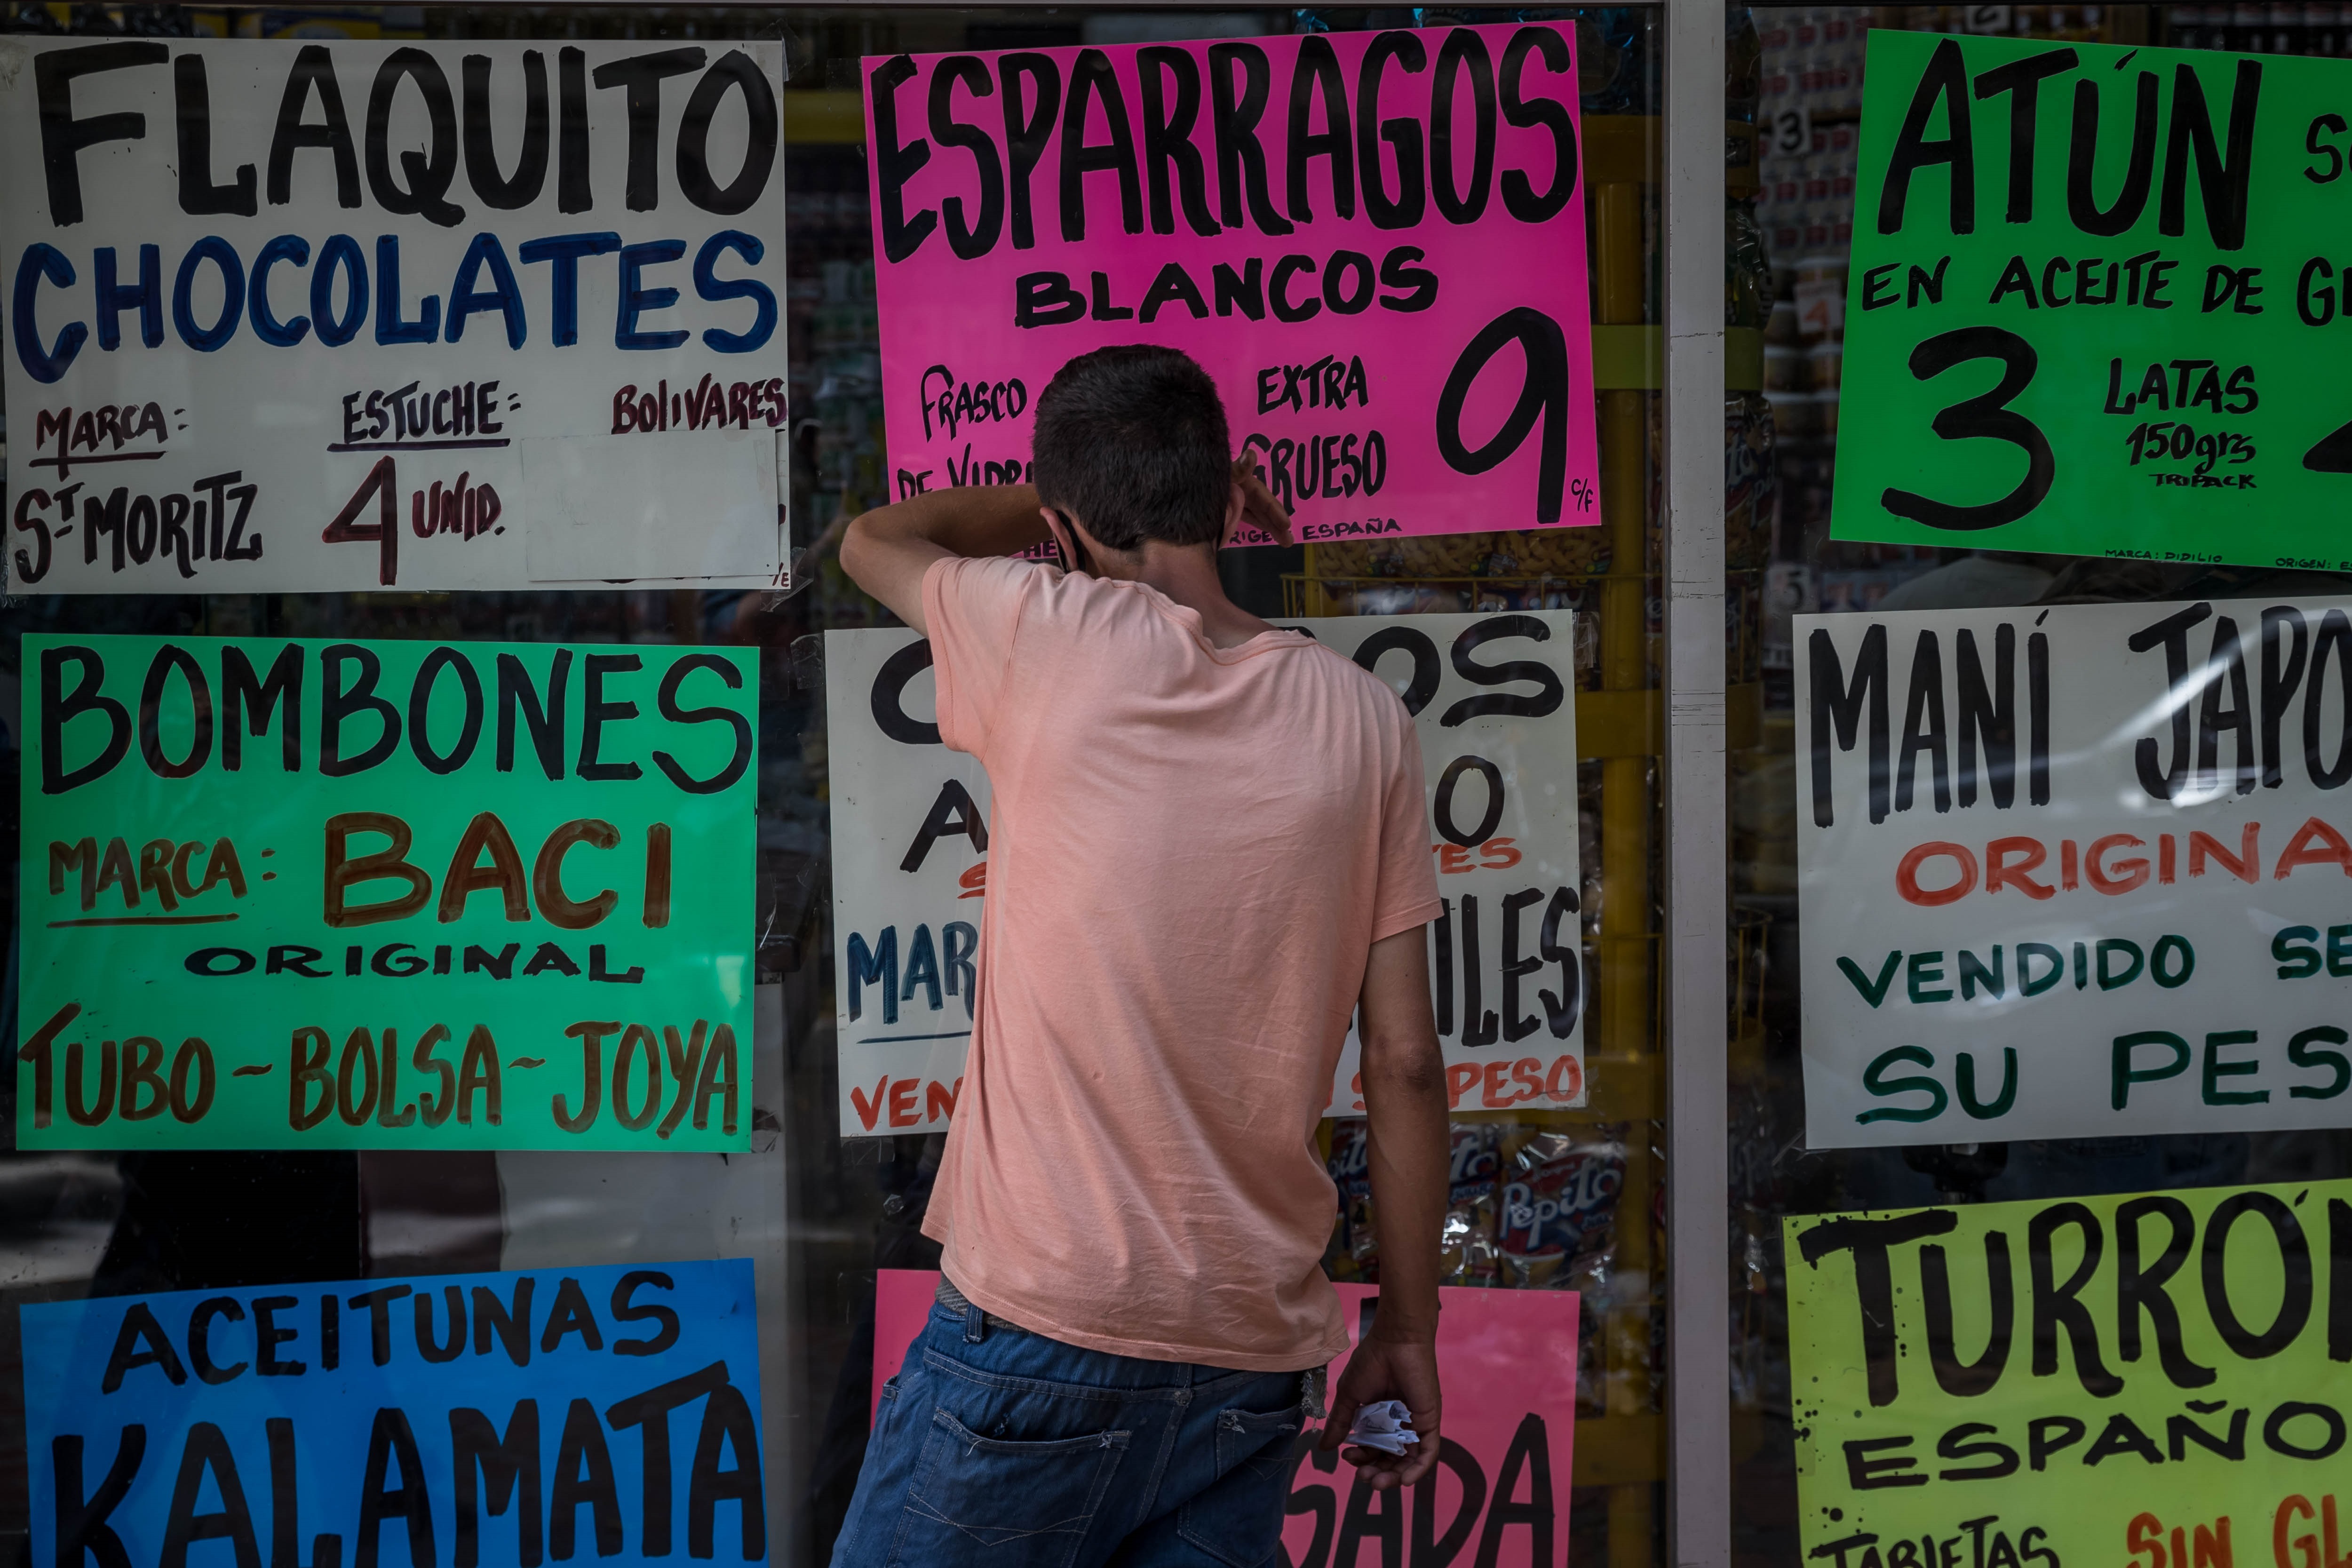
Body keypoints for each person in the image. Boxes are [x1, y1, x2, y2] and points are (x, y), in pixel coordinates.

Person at [830, 343, 1451, 1566]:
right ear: (1228, 498)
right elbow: (1407, 1062)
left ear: (1058, 529)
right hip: (1251, 1358)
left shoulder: (1045, 632)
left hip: (1041, 1330)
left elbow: (870, 539)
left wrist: (1060, 507)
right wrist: (1410, 1330)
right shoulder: (1367, 720)